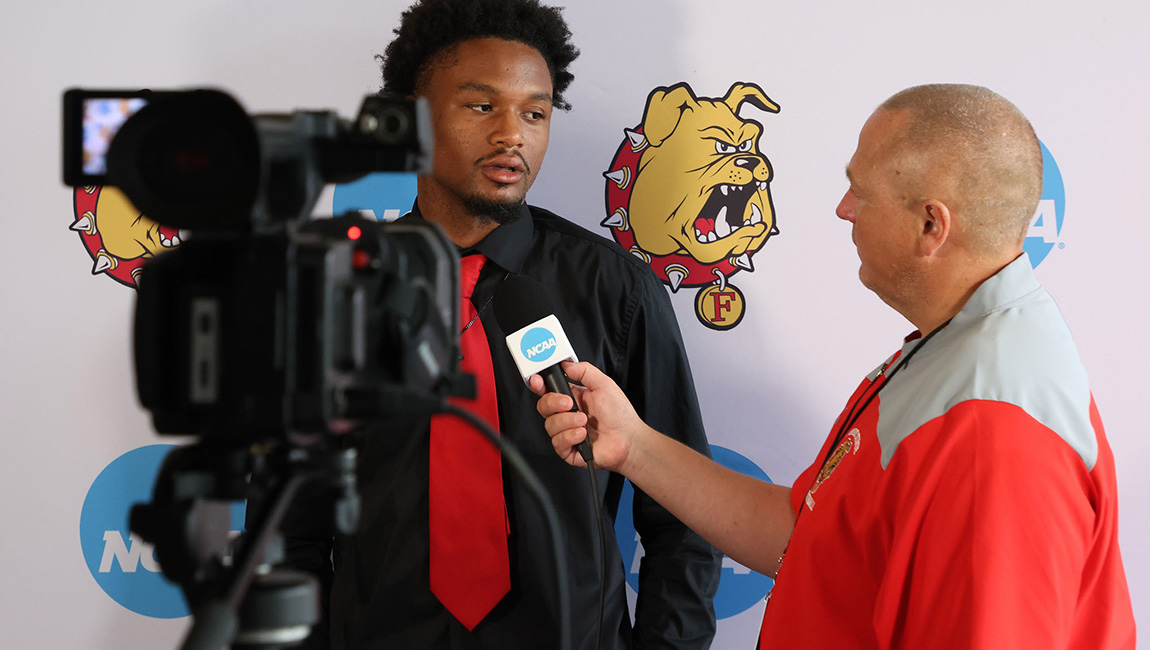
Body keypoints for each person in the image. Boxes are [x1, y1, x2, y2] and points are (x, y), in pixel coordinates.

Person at [534, 84, 1137, 649]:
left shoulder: (990, 434)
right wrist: (631, 444)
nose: (844, 209)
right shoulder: (954, 351)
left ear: (931, 225)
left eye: (862, 191)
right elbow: (810, 538)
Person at [280, 1, 721, 649]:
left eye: (535, 112)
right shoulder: (334, 289)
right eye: (481, 106)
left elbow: (685, 518)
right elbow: (296, 526)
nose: (513, 134)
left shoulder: (617, 291)